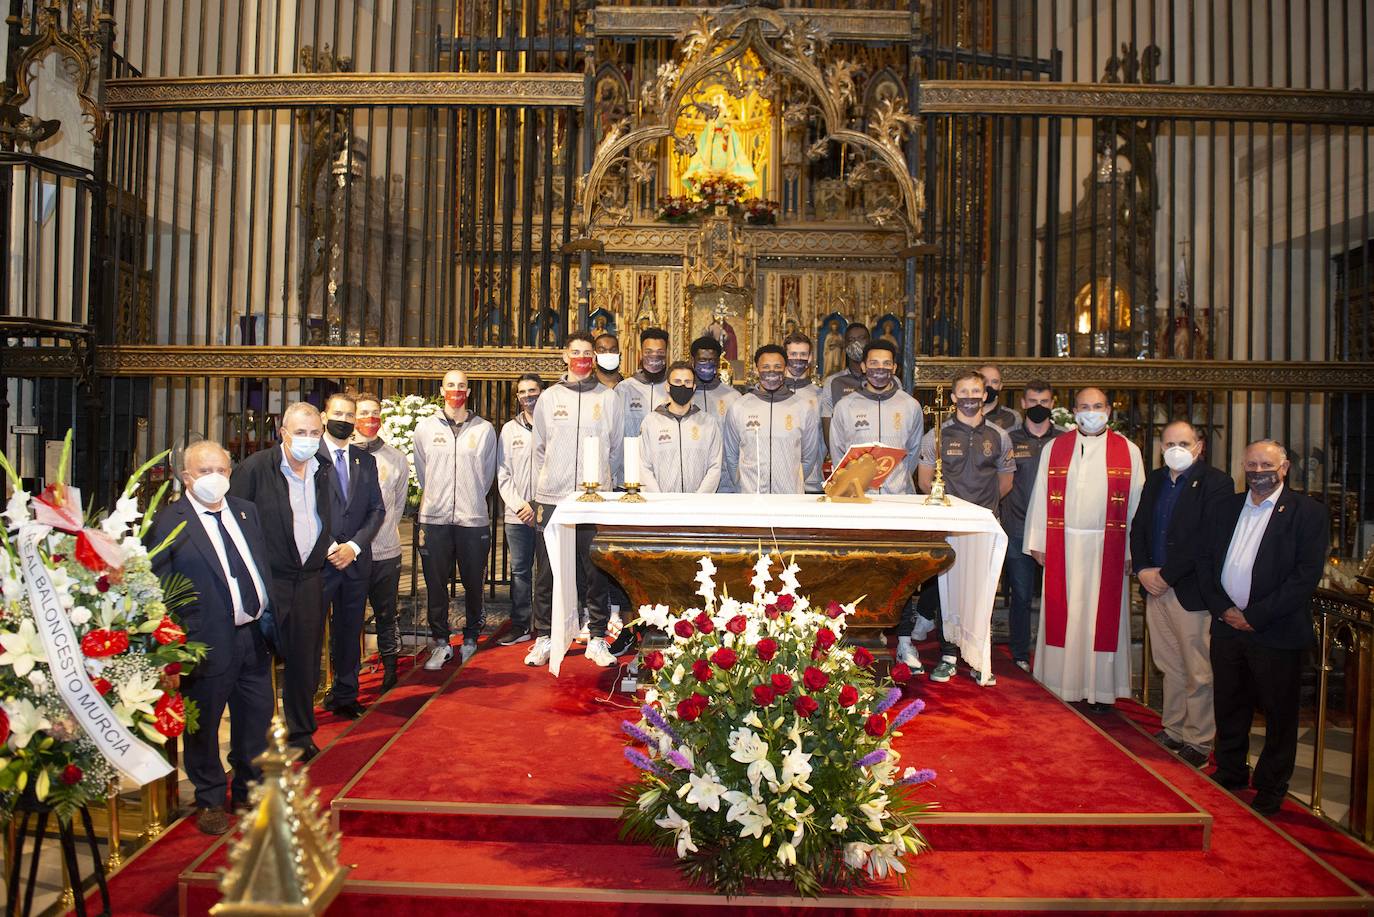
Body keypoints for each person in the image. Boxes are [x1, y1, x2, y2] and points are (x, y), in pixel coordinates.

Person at [1197, 440, 1327, 815]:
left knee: (1279, 713)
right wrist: (1224, 609)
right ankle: (1232, 769)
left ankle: (1271, 785)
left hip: (1276, 630)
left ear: (1284, 467)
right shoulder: (1225, 507)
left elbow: (1305, 576)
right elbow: (1205, 562)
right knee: (1230, 703)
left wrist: (1255, 615)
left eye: (1266, 464)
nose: (1258, 471)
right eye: (1251, 464)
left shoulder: (1308, 513)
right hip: (1226, 626)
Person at [151, 440, 272, 835]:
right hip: (204, 641)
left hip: (253, 635)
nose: (215, 478)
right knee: (203, 727)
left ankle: (247, 788)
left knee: (255, 717)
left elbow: (257, 565)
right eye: (206, 472)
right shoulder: (170, 523)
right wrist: (172, 647)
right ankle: (209, 797)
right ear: (187, 477)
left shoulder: (246, 511)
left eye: (221, 470)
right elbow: (157, 588)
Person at [1024, 387, 1145, 710]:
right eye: (1084, 406)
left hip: (1109, 546)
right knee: (1066, 616)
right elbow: (1040, 496)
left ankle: (1101, 689)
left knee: (1100, 620)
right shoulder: (1055, 447)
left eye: (1097, 405)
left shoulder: (1128, 450)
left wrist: (1135, 550)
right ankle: (1062, 683)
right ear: (1074, 411)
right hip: (1063, 544)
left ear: (1109, 409)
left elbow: (1136, 504)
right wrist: (1037, 541)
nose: (1091, 411)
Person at [228, 401, 334, 760]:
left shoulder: (324, 469)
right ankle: (256, 743)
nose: (307, 439)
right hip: (269, 580)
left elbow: (329, 514)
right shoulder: (255, 469)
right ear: (283, 434)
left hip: (308, 579)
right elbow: (236, 523)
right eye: (300, 433)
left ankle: (301, 735)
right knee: (257, 664)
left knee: (304, 662)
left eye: (314, 433)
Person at [1129, 420, 1235, 767]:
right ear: (1161, 447)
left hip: (1188, 589)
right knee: (1168, 664)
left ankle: (1199, 740)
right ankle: (1173, 729)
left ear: (1199, 446)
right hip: (1153, 585)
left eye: (1184, 442)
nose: (1176, 448)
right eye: (1170, 442)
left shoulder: (1216, 484)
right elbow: (1140, 526)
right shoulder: (1157, 480)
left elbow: (1206, 538)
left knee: (1197, 670)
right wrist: (1143, 569)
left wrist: (1168, 576)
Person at [525, 331, 625, 669]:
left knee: (594, 569)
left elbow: (614, 448)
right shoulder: (549, 398)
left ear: (595, 357)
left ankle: (596, 636)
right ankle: (544, 637)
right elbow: (539, 448)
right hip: (553, 495)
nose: (582, 357)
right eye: (576, 352)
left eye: (588, 352)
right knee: (548, 571)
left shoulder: (609, 398)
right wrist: (551, 478)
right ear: (565, 357)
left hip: (593, 497)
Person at [914, 371, 1015, 683]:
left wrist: (979, 512)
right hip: (949, 526)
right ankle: (947, 654)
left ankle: (978, 656)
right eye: (963, 392)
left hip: (984, 525)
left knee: (982, 592)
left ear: (984, 395)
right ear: (954, 397)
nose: (970, 397)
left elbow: (1005, 482)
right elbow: (925, 481)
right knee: (949, 593)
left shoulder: (999, 436)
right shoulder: (937, 436)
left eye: (976, 391)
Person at [413, 369, 498, 670]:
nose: (456, 390)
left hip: (472, 518)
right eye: (450, 385)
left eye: (461, 385)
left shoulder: (484, 429)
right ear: (441, 389)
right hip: (434, 518)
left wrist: (469, 496)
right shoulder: (424, 428)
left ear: (469, 391)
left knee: (474, 582)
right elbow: (423, 471)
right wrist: (438, 496)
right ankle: (441, 642)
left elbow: (487, 476)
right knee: (436, 584)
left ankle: (472, 637)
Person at [317, 392, 385, 719]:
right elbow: (302, 511)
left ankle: (345, 695)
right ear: (323, 416)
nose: (343, 420)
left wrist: (354, 547)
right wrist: (331, 546)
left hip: (356, 561)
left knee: (349, 631)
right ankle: (304, 702)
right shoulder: (308, 458)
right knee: (311, 632)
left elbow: (377, 509)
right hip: (320, 561)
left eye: (349, 415)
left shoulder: (365, 460)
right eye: (338, 413)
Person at [1001, 380, 1062, 672]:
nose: (1039, 406)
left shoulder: (1065, 441)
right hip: (1018, 528)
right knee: (1021, 596)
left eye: (1045, 401)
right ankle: (1020, 653)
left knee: (1058, 595)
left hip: (1056, 531)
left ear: (1053, 404)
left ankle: (1056, 652)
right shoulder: (1008, 439)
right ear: (1023, 404)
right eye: (1033, 401)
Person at [351, 392, 409, 692]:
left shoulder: (396, 458)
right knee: (350, 615)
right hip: (350, 553)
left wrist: (382, 533)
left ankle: (389, 670)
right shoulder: (342, 454)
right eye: (363, 414)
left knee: (387, 612)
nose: (370, 420)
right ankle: (346, 673)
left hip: (385, 549)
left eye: (375, 414)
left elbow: (397, 505)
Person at [723, 344, 822, 495]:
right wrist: (743, 484)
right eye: (766, 366)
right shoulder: (739, 407)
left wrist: (791, 480)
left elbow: (808, 456)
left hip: (789, 498)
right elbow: (731, 455)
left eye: (777, 366)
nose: (772, 371)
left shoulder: (803, 408)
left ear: (785, 369)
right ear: (756, 369)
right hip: (751, 498)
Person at [828, 339, 922, 495]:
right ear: (864, 367)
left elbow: (913, 452)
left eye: (886, 363)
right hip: (859, 497)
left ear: (894, 367)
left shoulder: (910, 405)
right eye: (874, 363)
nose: (880, 368)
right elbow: (838, 453)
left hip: (898, 497)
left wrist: (897, 481)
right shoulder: (845, 406)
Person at [496, 374, 542, 645]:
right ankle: (521, 624)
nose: (528, 395)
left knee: (550, 570)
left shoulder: (553, 426)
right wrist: (520, 505)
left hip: (547, 511)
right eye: (523, 392)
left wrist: (538, 504)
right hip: (517, 514)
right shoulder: (509, 429)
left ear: (542, 392)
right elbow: (502, 472)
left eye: (533, 390)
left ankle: (550, 626)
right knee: (520, 571)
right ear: (517, 397)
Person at [640, 360, 723, 493]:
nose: (683, 386)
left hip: (697, 506)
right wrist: (659, 501)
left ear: (694, 387)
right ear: (667, 386)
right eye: (677, 382)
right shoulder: (651, 422)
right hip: (662, 505)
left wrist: (698, 500)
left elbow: (715, 466)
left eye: (688, 382)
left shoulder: (708, 423)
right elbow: (644, 467)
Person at [820, 322, 870, 444]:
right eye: (851, 340)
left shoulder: (882, 379)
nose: (856, 343)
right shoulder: (833, 382)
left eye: (861, 338)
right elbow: (828, 425)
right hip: (846, 455)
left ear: (870, 342)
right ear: (845, 345)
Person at [620, 326, 670, 438]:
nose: (654, 356)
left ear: (667, 353)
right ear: (641, 353)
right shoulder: (624, 388)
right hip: (632, 453)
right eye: (648, 351)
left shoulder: (674, 387)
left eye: (660, 352)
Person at [690, 334, 741, 424]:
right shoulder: (685, 395)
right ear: (693, 361)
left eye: (712, 360)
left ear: (718, 362)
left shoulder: (733, 396)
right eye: (702, 360)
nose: (707, 364)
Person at [978, 363, 1022, 431]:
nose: (989, 385)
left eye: (994, 382)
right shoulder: (966, 414)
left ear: (1000, 386)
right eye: (985, 381)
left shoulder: (1012, 417)